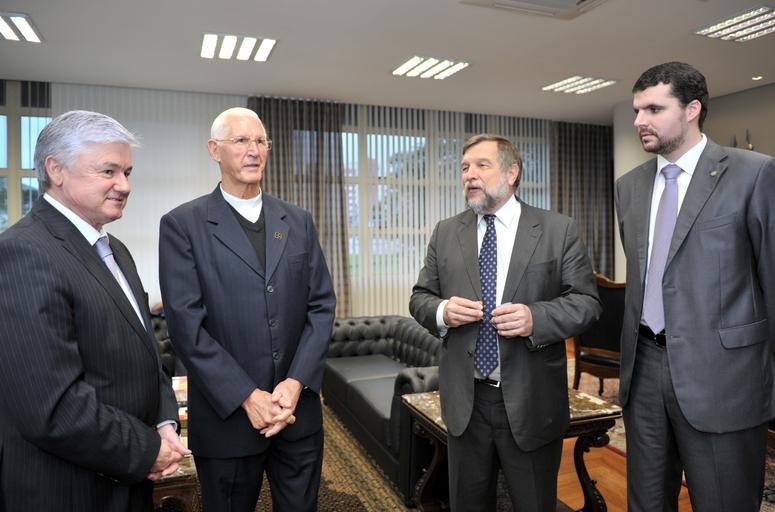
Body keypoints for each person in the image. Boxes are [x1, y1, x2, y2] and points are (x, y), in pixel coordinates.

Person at [0, 110, 188, 511]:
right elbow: (52, 406)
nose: (125, 185)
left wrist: (164, 422)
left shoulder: (115, 250)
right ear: (56, 170)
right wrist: (146, 450)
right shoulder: (22, 253)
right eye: (108, 171)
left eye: (127, 172)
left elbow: (146, 352)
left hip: (127, 478)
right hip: (69, 489)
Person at [410, 134, 601, 511]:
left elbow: (587, 303)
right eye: (464, 167)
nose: (469, 174)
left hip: (531, 401)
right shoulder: (446, 232)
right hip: (466, 403)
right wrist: (443, 311)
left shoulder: (557, 229)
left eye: (481, 165)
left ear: (512, 173)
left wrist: (536, 317)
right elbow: (420, 298)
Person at [158, 107, 335, 512]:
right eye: (241, 140)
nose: (254, 150)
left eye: (261, 141)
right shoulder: (183, 225)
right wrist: (247, 396)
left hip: (296, 414)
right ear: (214, 150)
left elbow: (322, 306)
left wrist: (295, 383)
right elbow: (186, 327)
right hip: (227, 420)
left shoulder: (298, 221)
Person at [616, 61, 775, 511]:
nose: (639, 121)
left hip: (724, 375)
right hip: (644, 370)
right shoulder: (629, 187)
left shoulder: (753, 174)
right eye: (636, 110)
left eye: (653, 109)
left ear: (692, 110)